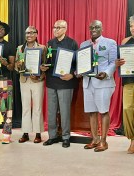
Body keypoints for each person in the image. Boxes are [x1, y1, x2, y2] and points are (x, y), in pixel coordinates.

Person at [40, 20, 78, 148]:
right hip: (51, 81)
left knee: (64, 111)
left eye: (59, 27)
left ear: (65, 29)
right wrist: (43, 67)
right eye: (54, 27)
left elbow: (78, 63)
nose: (55, 30)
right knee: (51, 111)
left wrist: (72, 74)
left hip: (66, 82)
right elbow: (47, 61)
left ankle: (66, 137)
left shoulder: (72, 43)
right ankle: (52, 136)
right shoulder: (49, 43)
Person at [80, 20, 117, 152]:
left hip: (103, 83)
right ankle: (95, 139)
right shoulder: (84, 44)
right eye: (91, 27)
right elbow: (81, 63)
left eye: (97, 27)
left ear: (102, 28)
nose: (94, 29)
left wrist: (106, 73)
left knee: (103, 111)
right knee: (92, 112)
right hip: (87, 82)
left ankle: (104, 141)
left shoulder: (110, 43)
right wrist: (78, 71)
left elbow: (113, 62)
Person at [15, 26, 45, 143]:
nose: (29, 35)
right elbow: (17, 67)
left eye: (32, 33)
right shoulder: (20, 49)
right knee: (26, 108)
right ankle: (25, 133)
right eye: (27, 33)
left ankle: (38, 133)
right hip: (24, 80)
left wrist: (39, 75)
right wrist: (18, 67)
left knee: (37, 107)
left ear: (36, 34)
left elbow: (45, 66)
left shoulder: (42, 48)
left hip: (37, 81)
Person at [115, 15, 134, 154]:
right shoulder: (125, 41)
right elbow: (120, 60)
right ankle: (132, 139)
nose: (133, 29)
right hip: (128, 80)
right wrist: (118, 63)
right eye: (131, 26)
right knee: (127, 109)